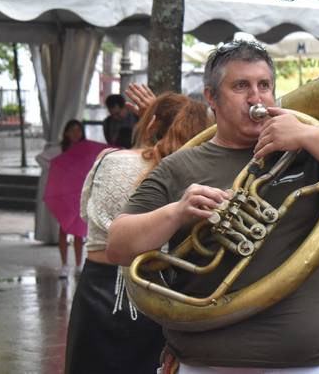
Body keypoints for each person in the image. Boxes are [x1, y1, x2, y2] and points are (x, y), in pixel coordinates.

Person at [106, 40, 319, 373]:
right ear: (212, 97)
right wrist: (177, 211)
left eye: (264, 86)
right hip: (207, 362)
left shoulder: (305, 152)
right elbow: (117, 246)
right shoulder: (178, 167)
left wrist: (311, 136)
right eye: (240, 86)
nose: (256, 98)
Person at [65, 90, 213, 374]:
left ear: (151, 123)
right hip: (156, 289)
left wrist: (152, 120)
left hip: (98, 287)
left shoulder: (109, 159)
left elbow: (87, 212)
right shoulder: (189, 172)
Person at [58, 120, 86, 270]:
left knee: (78, 232)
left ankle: (78, 264)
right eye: (73, 130)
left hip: (79, 193)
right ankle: (64, 264)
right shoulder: (60, 150)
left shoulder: (86, 150)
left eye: (79, 130)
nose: (76, 134)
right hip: (64, 194)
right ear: (66, 133)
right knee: (63, 230)